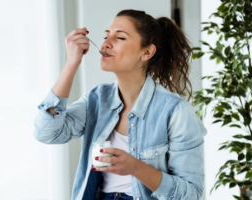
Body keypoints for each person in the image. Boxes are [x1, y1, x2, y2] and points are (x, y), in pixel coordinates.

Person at [34, 9, 207, 200]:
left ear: (147, 52)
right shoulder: (97, 99)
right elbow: (47, 132)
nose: (106, 43)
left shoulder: (176, 111)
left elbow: (191, 194)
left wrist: (135, 167)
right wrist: (71, 63)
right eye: (106, 36)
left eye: (120, 38)